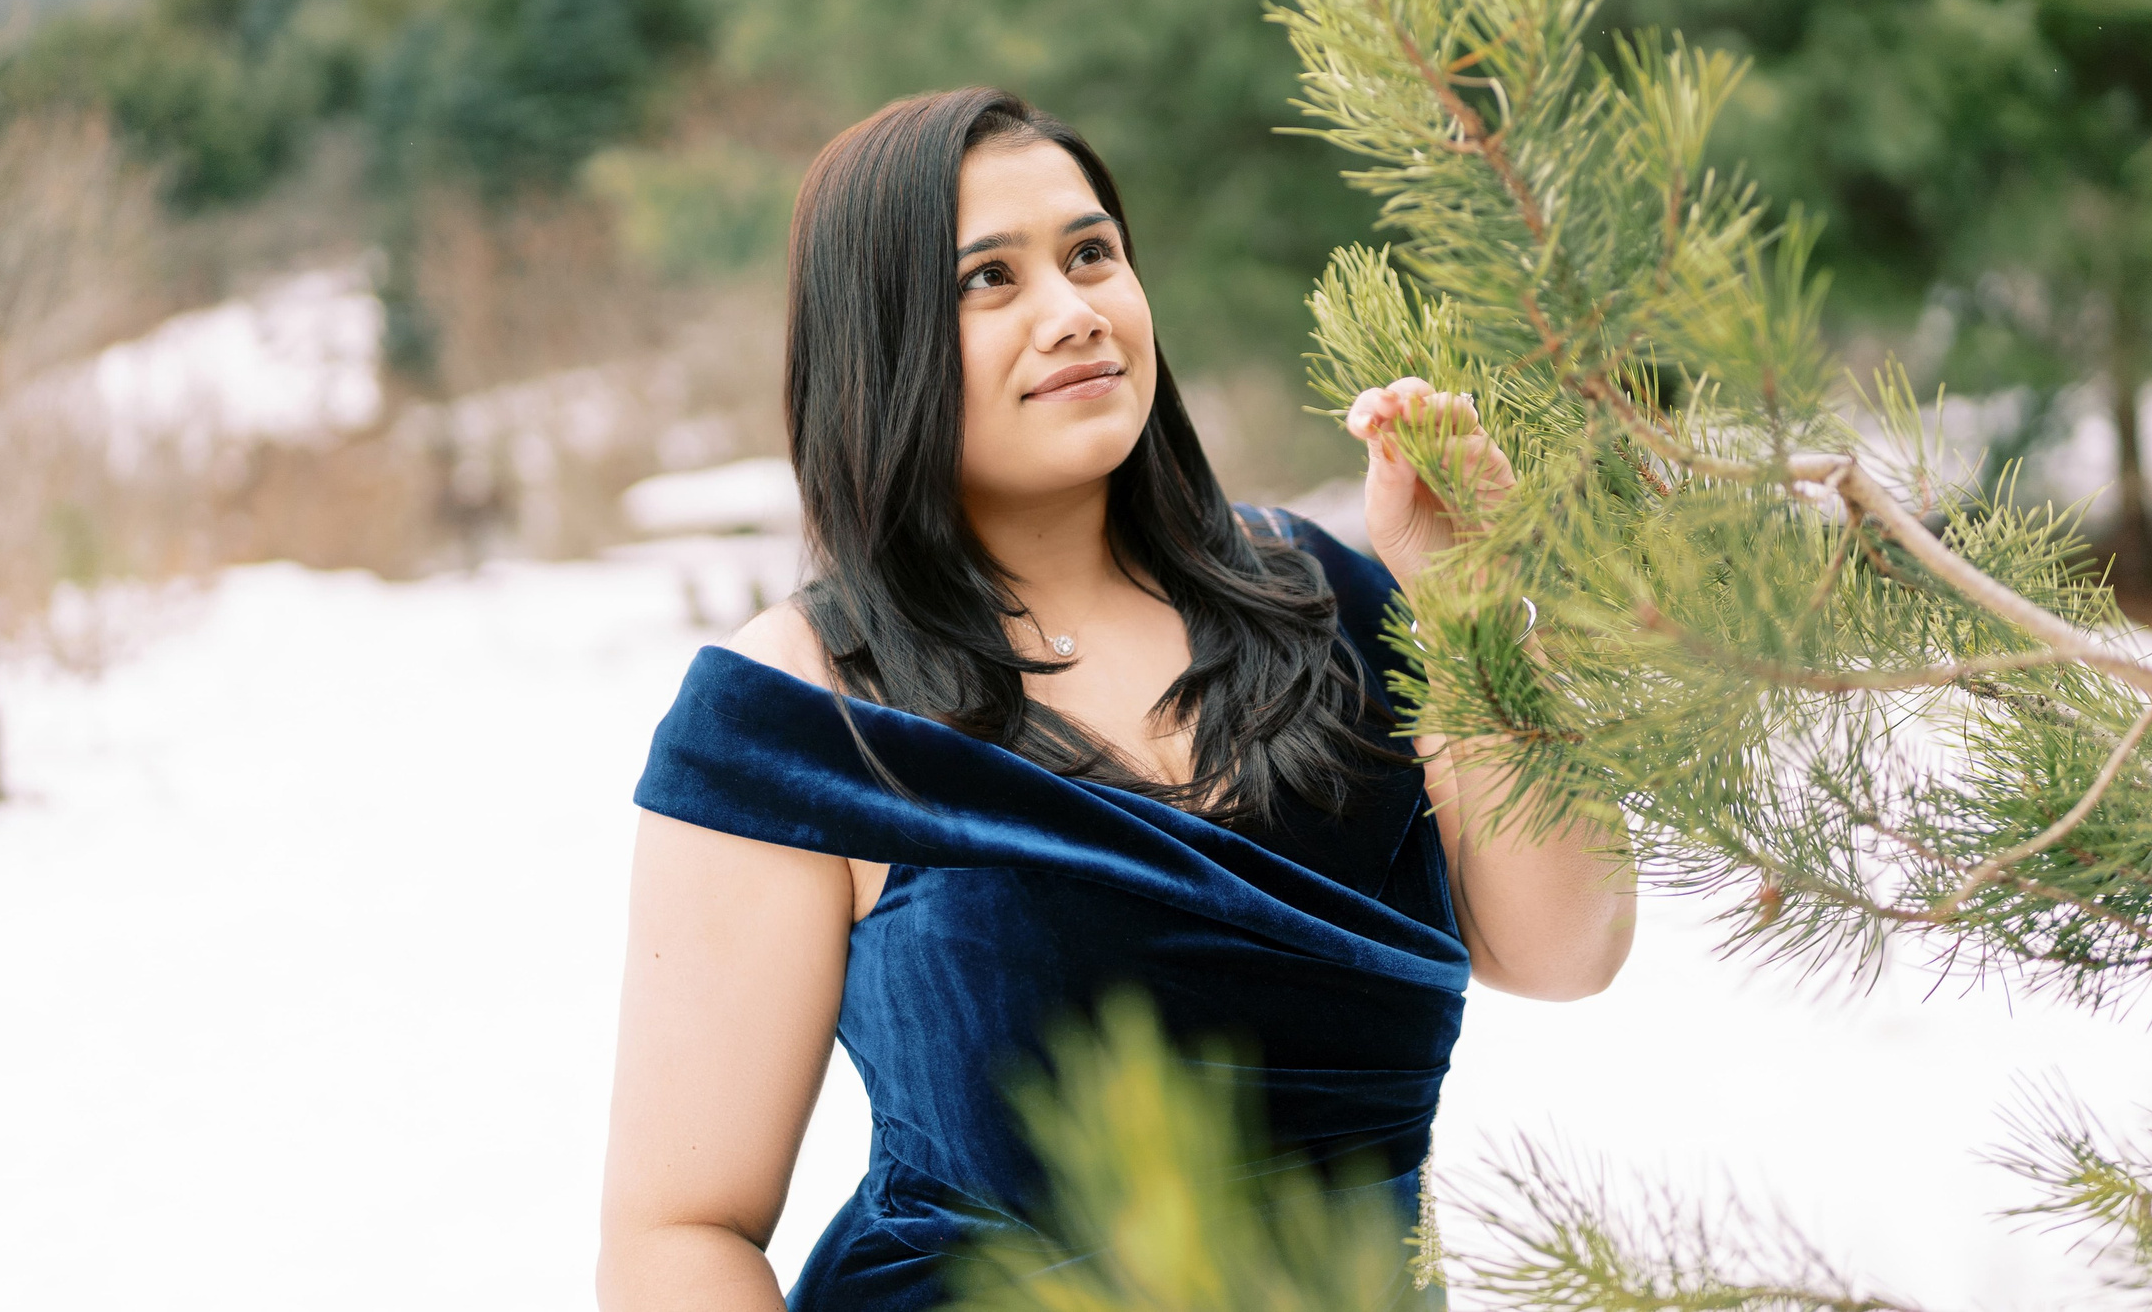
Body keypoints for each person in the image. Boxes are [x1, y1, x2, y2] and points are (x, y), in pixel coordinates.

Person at [597, 88, 1635, 1310]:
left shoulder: (1322, 604)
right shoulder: (802, 716)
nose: (1074, 312)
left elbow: (1565, 950)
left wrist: (1466, 614)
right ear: (881, 340)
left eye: (1092, 254)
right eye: (989, 279)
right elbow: (679, 1231)